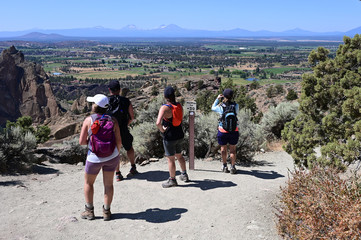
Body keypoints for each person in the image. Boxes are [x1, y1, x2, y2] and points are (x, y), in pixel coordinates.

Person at [79, 94, 122, 221]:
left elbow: (81, 142)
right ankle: (107, 212)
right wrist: (115, 154)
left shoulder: (89, 120)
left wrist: (93, 142)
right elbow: (119, 141)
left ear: (95, 106)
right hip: (112, 156)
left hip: (94, 157)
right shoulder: (113, 120)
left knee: (88, 183)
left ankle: (89, 211)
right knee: (108, 185)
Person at [156, 86, 189, 188]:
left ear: (165, 96)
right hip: (179, 133)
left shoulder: (165, 107)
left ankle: (172, 180)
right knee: (179, 155)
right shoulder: (179, 105)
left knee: (170, 159)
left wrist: (162, 130)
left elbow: (158, 123)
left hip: (170, 136)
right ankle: (184, 175)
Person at [107, 80, 138, 181]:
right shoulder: (126, 101)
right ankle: (133, 167)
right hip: (123, 129)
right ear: (119, 90)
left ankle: (118, 173)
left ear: (109, 90)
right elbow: (132, 117)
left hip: (111, 131)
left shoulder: (106, 101)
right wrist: (125, 124)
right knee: (129, 148)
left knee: (115, 152)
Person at [211, 88, 239, 174]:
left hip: (222, 131)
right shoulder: (235, 105)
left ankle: (224, 166)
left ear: (224, 95)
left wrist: (217, 99)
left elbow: (212, 108)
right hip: (234, 130)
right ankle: (233, 167)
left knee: (223, 149)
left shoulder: (220, 106)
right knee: (233, 150)